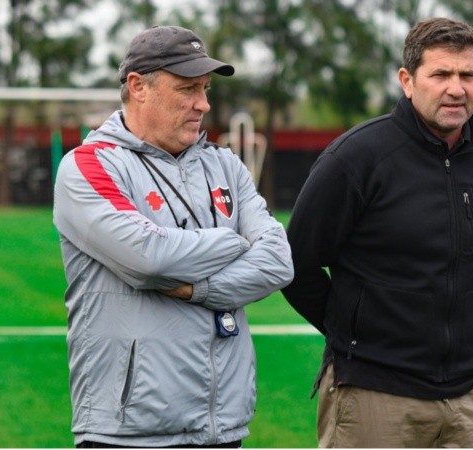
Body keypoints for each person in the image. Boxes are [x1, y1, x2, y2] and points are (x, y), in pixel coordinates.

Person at [282, 17, 473, 448]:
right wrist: (356, 331)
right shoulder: (356, 157)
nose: (456, 88)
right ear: (407, 81)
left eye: (468, 75)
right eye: (441, 74)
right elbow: (295, 261)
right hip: (376, 394)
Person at [53, 25, 294, 448]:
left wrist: (196, 287)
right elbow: (149, 258)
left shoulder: (226, 165)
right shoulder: (89, 166)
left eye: (204, 89)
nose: (203, 104)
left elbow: (278, 261)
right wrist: (235, 242)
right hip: (129, 432)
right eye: (187, 89)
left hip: (224, 427)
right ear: (138, 86)